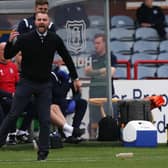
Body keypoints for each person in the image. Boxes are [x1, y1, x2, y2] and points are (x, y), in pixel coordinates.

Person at [0, 12, 81, 161]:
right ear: (35, 22)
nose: (42, 22)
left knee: (45, 119)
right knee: (13, 114)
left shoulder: (54, 38)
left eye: (44, 20)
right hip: (26, 82)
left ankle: (43, 153)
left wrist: (75, 77)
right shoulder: (26, 38)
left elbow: (67, 58)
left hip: (44, 84)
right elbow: (7, 55)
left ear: (48, 22)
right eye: (39, 20)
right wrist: (10, 42)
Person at [84, 33, 117, 139]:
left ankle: (108, 138)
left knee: (108, 117)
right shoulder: (92, 57)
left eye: (98, 43)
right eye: (95, 43)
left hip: (106, 91)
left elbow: (110, 72)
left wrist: (94, 72)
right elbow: (86, 72)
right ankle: (92, 139)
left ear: (104, 44)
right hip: (94, 91)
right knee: (93, 119)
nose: (96, 45)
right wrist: (101, 71)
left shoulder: (110, 56)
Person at [51, 65, 87, 142]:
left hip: (63, 100)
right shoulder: (52, 76)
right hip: (53, 101)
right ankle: (64, 133)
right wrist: (65, 81)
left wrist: (74, 99)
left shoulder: (69, 77)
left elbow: (77, 93)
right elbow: (58, 93)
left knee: (82, 103)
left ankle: (75, 130)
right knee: (62, 103)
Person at [0, 42, 19, 144]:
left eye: (7, 50)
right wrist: (10, 95)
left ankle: (21, 132)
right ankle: (7, 135)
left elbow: (18, 83)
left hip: (14, 96)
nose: (5, 52)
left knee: (33, 104)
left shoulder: (13, 66)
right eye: (3, 50)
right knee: (10, 106)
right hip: (2, 97)